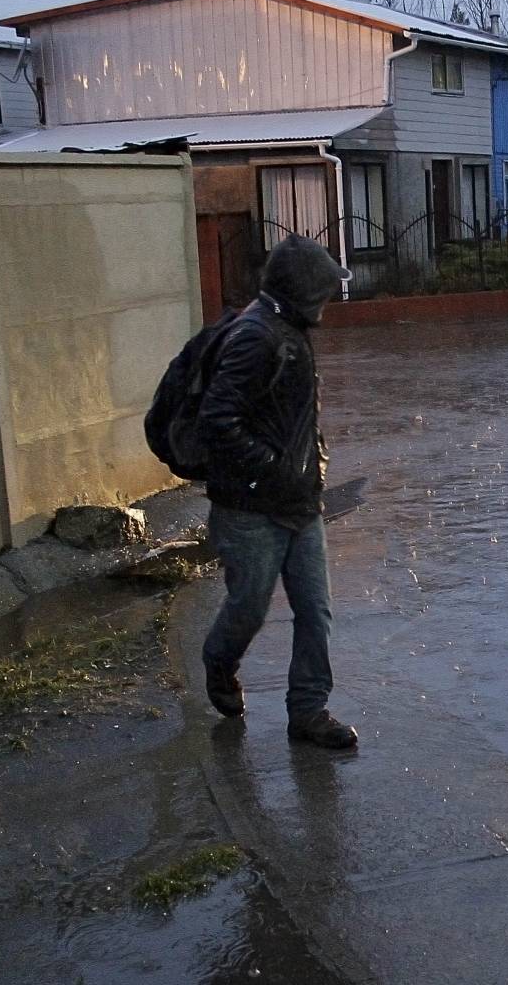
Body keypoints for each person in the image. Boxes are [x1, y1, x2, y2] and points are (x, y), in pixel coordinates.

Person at [196, 234, 358, 750]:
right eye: (324, 291)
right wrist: (271, 471)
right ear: (302, 289)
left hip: (299, 503)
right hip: (250, 509)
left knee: (315, 610)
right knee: (249, 606)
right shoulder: (254, 336)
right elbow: (218, 420)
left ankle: (308, 713)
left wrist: (311, 469)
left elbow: (293, 417)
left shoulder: (289, 327)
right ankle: (219, 662)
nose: (329, 302)